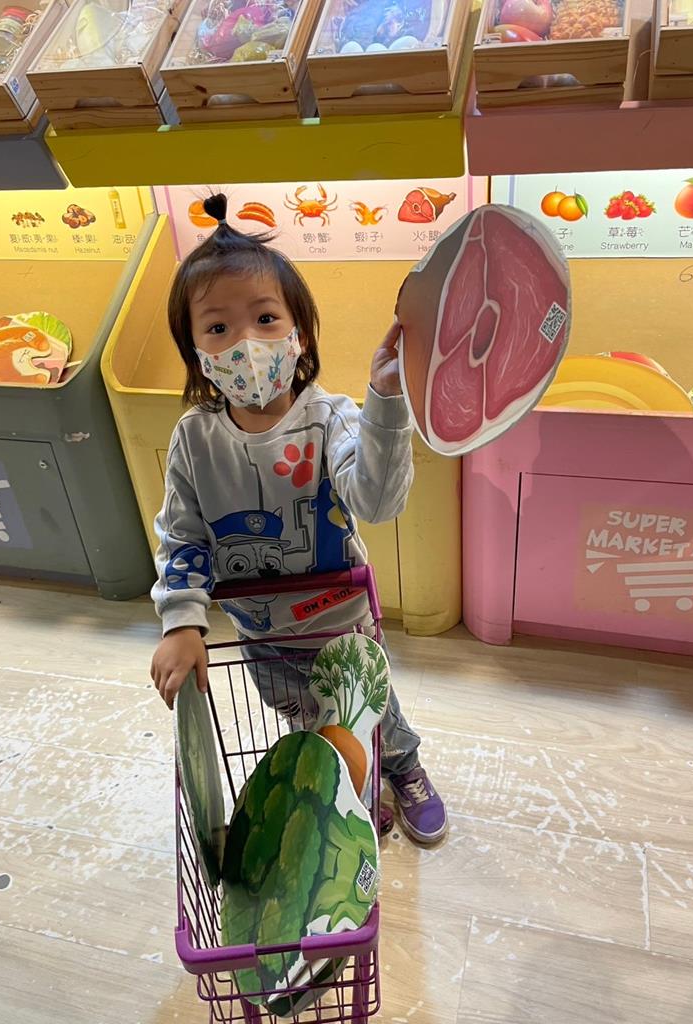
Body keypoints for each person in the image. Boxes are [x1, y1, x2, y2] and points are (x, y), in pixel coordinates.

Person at [149, 193, 447, 846]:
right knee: (306, 722)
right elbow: (182, 536)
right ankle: (346, 787)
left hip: (341, 622)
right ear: (195, 350)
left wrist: (386, 402)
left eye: (265, 319)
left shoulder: (331, 420)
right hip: (260, 634)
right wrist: (182, 621)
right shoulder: (195, 440)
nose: (246, 344)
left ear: (299, 334)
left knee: (372, 711)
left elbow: (377, 501)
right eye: (218, 328)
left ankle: (403, 766)